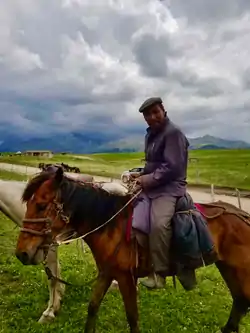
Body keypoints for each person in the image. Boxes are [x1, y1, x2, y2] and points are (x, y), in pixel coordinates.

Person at [132, 97, 189, 289]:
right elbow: (153, 164)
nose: (152, 117)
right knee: (131, 217)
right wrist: (138, 173)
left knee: (158, 224)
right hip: (153, 185)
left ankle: (160, 273)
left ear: (163, 110)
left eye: (155, 112)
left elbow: (172, 167)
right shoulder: (151, 135)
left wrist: (145, 180)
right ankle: (138, 266)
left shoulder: (173, 133)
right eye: (148, 115)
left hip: (170, 187)